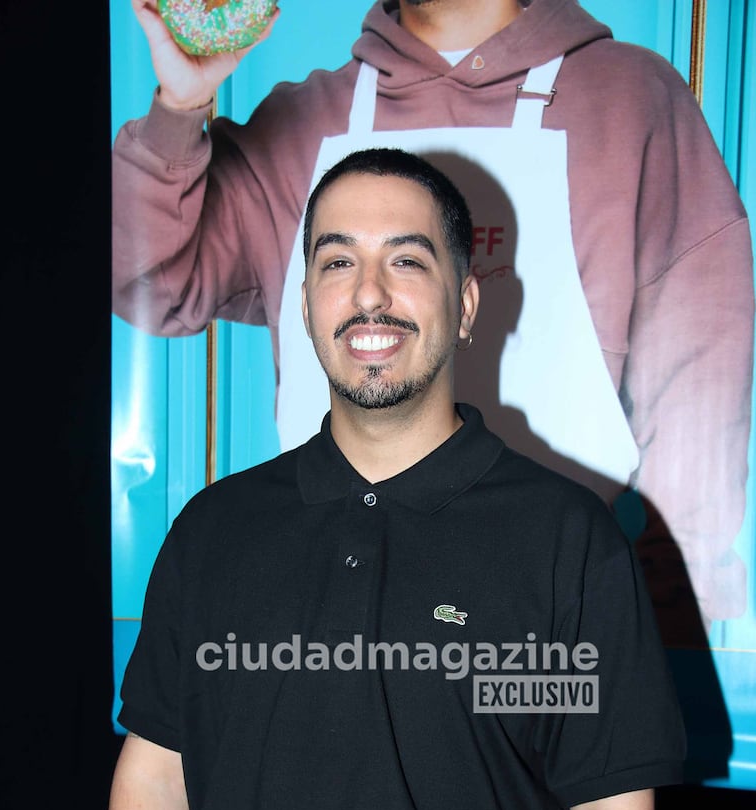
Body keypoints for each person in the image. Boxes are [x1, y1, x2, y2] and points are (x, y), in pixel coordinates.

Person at [96, 147, 685, 810]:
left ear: (463, 301)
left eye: (405, 260)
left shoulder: (563, 539)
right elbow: (155, 777)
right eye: (334, 261)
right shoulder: (215, 532)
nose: (367, 293)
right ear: (303, 299)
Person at [113, 0, 754, 646]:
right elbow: (147, 283)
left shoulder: (629, 102)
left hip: (546, 633)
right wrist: (180, 106)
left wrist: (661, 614)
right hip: (334, 629)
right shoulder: (301, 124)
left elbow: (701, 366)